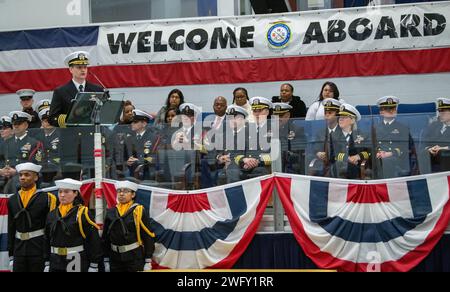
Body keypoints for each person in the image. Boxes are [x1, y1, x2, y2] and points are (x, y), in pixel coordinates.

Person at [7, 163, 57, 272]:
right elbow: (11, 228)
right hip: (19, 250)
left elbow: (51, 229)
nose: (22, 177)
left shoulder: (47, 198)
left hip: (39, 249)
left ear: (36, 177)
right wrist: (11, 254)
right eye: (20, 175)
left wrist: (48, 256)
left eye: (27, 175)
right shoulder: (12, 200)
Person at [44, 178, 102, 272]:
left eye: (67, 192)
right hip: (55, 259)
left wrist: (94, 264)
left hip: (74, 257)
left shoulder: (83, 213)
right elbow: (46, 238)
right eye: (60, 191)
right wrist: (46, 261)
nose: (62, 195)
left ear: (75, 193)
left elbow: (94, 239)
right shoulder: (52, 214)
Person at [102, 180, 155, 272]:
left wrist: (148, 260)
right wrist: (106, 259)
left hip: (134, 257)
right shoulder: (111, 212)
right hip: (115, 257)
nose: (121, 194)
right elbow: (105, 237)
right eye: (119, 191)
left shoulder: (138, 211)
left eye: (126, 191)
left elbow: (147, 235)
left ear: (133, 195)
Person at [49, 51, 103, 128]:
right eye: (79, 67)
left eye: (85, 67)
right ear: (71, 69)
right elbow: (52, 118)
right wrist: (72, 118)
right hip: (71, 135)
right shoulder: (60, 91)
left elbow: (104, 113)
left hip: (91, 134)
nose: (83, 70)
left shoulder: (97, 89)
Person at [374, 96, 414, 179]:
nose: (391, 111)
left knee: (387, 161)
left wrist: (391, 153)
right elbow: (371, 145)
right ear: (381, 112)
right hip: (378, 157)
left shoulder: (403, 128)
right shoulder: (375, 128)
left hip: (396, 158)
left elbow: (408, 147)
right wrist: (377, 152)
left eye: (393, 108)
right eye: (388, 109)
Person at [333, 104, 371, 179]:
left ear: (353, 120)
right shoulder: (333, 136)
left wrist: (358, 156)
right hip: (338, 167)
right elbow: (331, 153)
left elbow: (369, 152)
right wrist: (347, 158)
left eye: (344, 117)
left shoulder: (362, 135)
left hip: (357, 167)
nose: (340, 119)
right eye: (340, 117)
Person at [308, 98, 342, 177]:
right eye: (325, 112)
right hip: (322, 164)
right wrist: (318, 153)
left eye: (330, 113)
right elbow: (314, 149)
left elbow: (343, 151)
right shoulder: (320, 132)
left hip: (338, 164)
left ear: (337, 115)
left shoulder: (342, 131)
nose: (327, 115)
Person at [126, 110, 160, 181]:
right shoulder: (129, 138)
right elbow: (124, 156)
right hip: (132, 171)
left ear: (144, 124)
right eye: (132, 122)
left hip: (147, 171)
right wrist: (127, 161)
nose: (132, 124)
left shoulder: (154, 138)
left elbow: (155, 158)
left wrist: (139, 160)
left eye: (135, 122)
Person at [272, 103, 306, 174]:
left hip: (290, 165)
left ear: (288, 116)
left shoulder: (297, 130)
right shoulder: (268, 129)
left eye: (280, 116)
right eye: (275, 116)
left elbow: (300, 152)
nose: (278, 119)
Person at [422, 98, 450, 172]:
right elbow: (425, 142)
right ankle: (426, 180)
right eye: (439, 111)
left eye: (443, 111)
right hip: (434, 155)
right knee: (424, 153)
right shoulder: (434, 126)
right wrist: (430, 149)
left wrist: (444, 148)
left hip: (446, 155)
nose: (440, 114)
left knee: (444, 153)